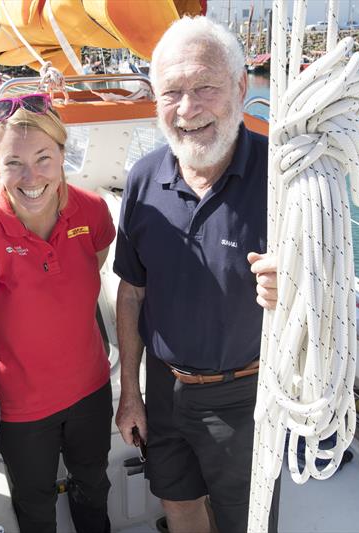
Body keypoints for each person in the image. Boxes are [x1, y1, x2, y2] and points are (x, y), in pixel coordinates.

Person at [113, 16, 280, 533]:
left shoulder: (282, 180)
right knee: (178, 503)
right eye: (172, 92)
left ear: (240, 86)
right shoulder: (143, 179)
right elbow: (132, 293)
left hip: (245, 397)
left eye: (205, 87)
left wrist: (294, 285)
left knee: (246, 523)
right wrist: (130, 394)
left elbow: (327, 291)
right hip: (162, 390)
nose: (187, 109)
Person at [0, 95, 115, 533]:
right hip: (22, 408)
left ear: (62, 155)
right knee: (35, 501)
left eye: (43, 158)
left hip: (92, 390)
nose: (31, 176)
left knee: (94, 484)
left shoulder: (92, 212)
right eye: (14, 162)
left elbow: (90, 267)